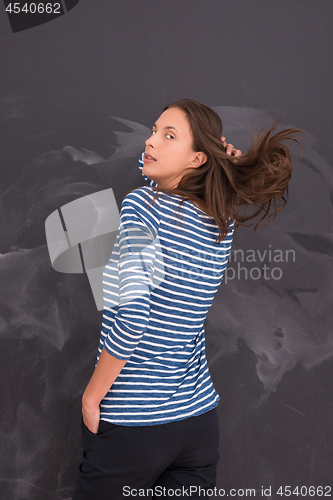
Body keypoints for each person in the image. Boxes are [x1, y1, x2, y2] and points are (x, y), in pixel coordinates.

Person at [72, 99, 302, 500]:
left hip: (134, 423)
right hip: (197, 424)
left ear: (197, 158)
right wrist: (219, 160)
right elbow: (182, 187)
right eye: (153, 130)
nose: (150, 141)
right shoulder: (221, 221)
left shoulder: (142, 208)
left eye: (168, 135)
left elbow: (131, 319)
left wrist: (92, 399)